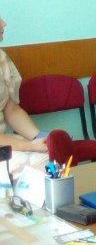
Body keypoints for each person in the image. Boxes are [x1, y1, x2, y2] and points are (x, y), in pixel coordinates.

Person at [0, 16, 50, 183]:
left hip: (4, 144)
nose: (4, 23)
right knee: (43, 165)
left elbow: (10, 109)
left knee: (50, 154)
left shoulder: (1, 58)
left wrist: (40, 137)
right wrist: (30, 146)